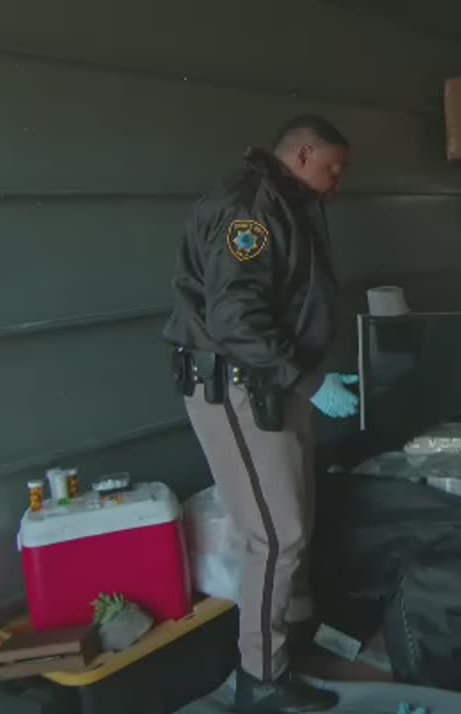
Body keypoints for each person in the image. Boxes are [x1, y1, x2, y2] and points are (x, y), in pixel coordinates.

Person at [163, 114, 357, 713]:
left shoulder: (288, 202)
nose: (338, 183)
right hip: (237, 387)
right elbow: (235, 321)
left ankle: (292, 646)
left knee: (299, 517)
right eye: (333, 170)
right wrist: (309, 380)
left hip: (277, 383)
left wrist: (309, 378)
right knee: (276, 534)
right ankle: (262, 679)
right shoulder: (249, 210)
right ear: (302, 155)